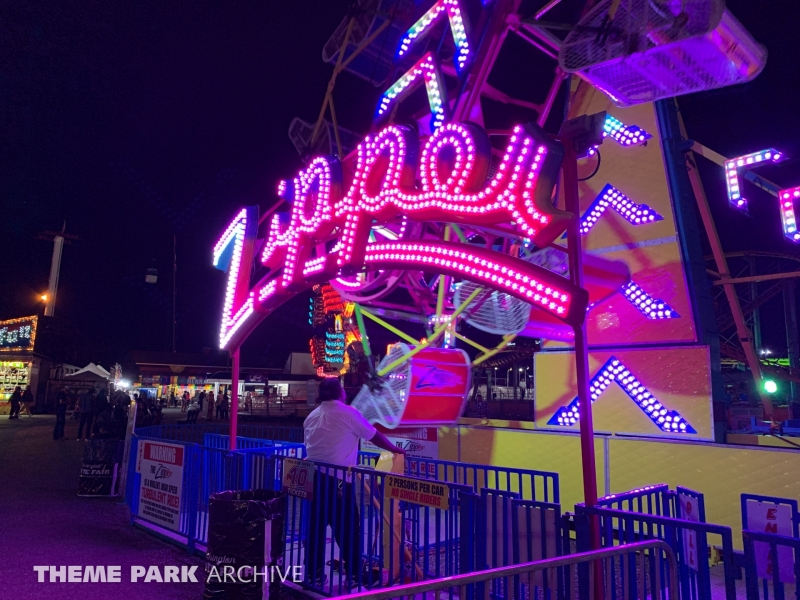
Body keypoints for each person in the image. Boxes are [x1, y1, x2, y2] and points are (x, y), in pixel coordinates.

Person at [303, 378, 403, 584]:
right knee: (348, 528)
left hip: (313, 479)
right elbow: (373, 435)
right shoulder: (348, 413)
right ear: (340, 393)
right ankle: (356, 574)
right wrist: (393, 450)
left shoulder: (311, 416)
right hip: (337, 480)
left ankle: (313, 574)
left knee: (316, 528)